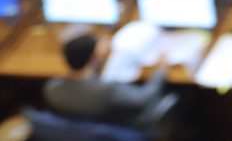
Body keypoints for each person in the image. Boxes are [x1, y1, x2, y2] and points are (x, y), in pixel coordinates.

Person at [45, 30, 176, 135]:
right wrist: (160, 71)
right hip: (126, 127)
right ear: (94, 57)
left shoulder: (52, 88)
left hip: (87, 129)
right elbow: (144, 97)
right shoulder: (106, 90)